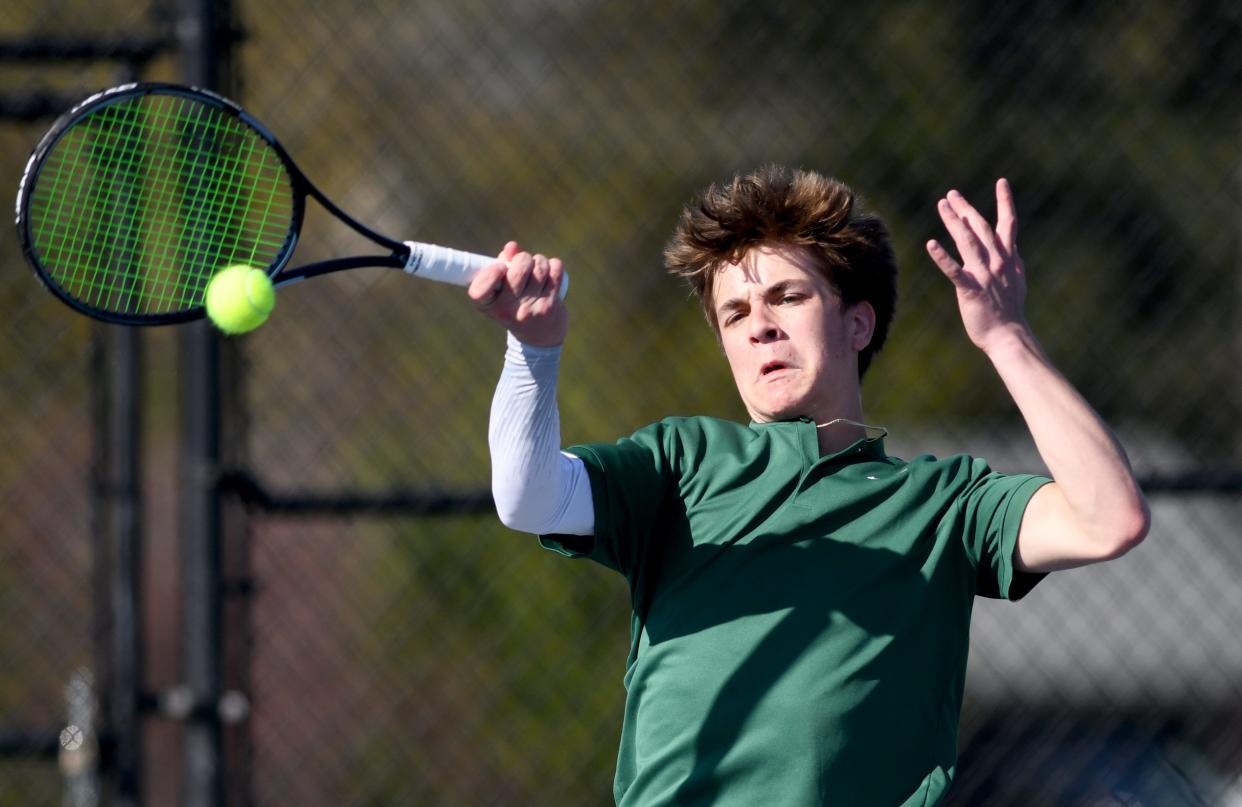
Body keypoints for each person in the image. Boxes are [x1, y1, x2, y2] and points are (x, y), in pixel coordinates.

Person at [466, 165, 1149, 806]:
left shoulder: (947, 503)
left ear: (858, 321)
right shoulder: (681, 462)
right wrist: (533, 349)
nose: (760, 323)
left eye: (786, 296)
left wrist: (1007, 338)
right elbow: (528, 497)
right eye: (735, 313)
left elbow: (1109, 517)